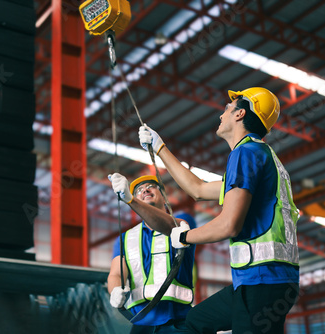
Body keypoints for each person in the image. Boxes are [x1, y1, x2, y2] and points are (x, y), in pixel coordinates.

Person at [136, 87, 300, 333]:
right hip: (266, 281)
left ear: (239, 114)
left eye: (226, 109)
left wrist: (184, 236)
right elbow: (198, 189)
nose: (221, 115)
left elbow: (229, 224)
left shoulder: (246, 153)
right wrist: (159, 148)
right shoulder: (259, 155)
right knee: (196, 323)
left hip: (262, 280)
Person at [107, 174, 197, 333]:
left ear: (164, 196)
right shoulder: (125, 238)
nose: (145, 190)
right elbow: (116, 274)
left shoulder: (180, 223)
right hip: (141, 324)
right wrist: (114, 290)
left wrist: (131, 200)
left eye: (151, 186)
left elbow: (166, 224)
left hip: (178, 321)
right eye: (139, 190)